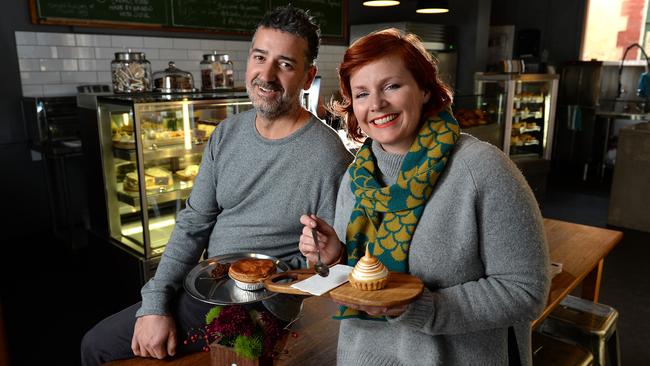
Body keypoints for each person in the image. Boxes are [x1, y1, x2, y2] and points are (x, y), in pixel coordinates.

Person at [81, 5, 353, 365]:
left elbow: (326, 265)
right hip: (207, 286)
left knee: (95, 348)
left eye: (285, 64)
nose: (266, 75)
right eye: (260, 57)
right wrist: (155, 303)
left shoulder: (327, 155)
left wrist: (320, 259)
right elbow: (193, 225)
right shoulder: (226, 133)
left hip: (265, 307)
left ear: (308, 76)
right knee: (97, 341)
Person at [299, 28, 550, 365]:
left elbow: (525, 291)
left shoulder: (481, 170)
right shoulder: (356, 180)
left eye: (392, 86)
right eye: (361, 93)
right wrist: (335, 256)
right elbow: (362, 283)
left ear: (425, 90)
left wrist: (423, 308)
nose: (376, 104)